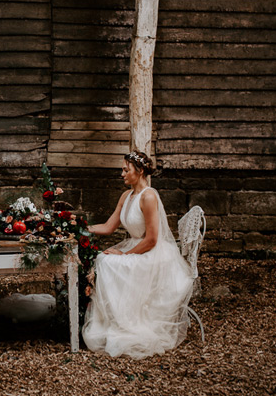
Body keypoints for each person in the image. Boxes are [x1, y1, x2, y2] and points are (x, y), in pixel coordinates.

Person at [83, 151, 193, 359]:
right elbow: (108, 227)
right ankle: (113, 320)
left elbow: (152, 239)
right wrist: (81, 228)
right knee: (104, 258)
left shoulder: (149, 196)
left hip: (153, 252)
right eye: (122, 170)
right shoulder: (126, 196)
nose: (122, 174)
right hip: (136, 246)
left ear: (140, 171)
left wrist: (125, 255)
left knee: (108, 260)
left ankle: (127, 321)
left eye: (126, 170)